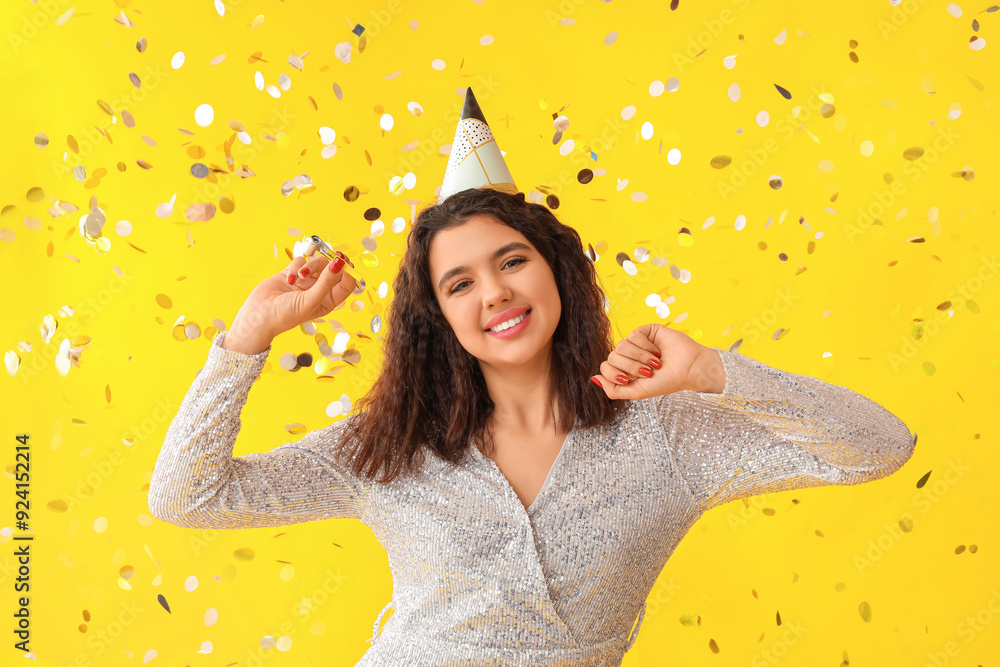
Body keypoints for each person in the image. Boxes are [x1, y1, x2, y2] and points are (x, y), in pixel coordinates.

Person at [148, 89, 917, 666]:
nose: (495, 293)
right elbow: (187, 497)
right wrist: (248, 338)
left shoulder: (666, 434)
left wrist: (711, 371)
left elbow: (879, 445)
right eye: (460, 284)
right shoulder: (392, 444)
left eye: (511, 260)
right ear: (439, 319)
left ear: (554, 269)